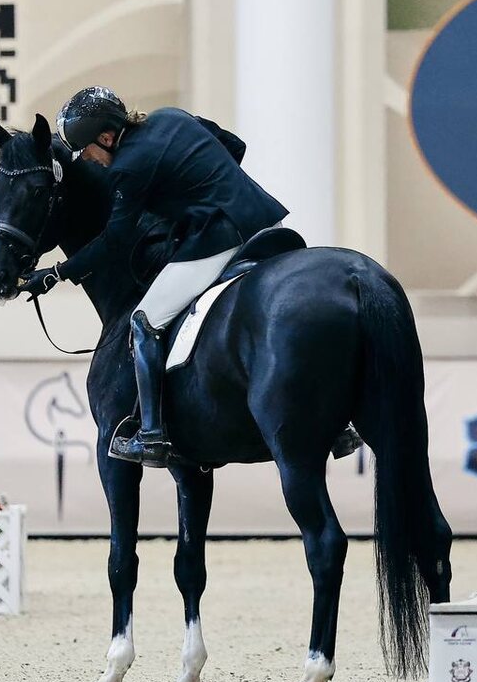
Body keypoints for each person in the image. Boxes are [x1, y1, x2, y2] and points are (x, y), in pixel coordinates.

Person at [21, 86, 361, 468]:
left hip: (221, 239)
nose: (86, 159)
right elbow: (234, 145)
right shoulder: (172, 115)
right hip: (267, 222)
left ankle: (151, 434)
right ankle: (340, 424)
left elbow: (114, 240)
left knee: (144, 321)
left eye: (85, 150)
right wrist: (210, 188)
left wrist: (58, 272)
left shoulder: (126, 168)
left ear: (106, 137)